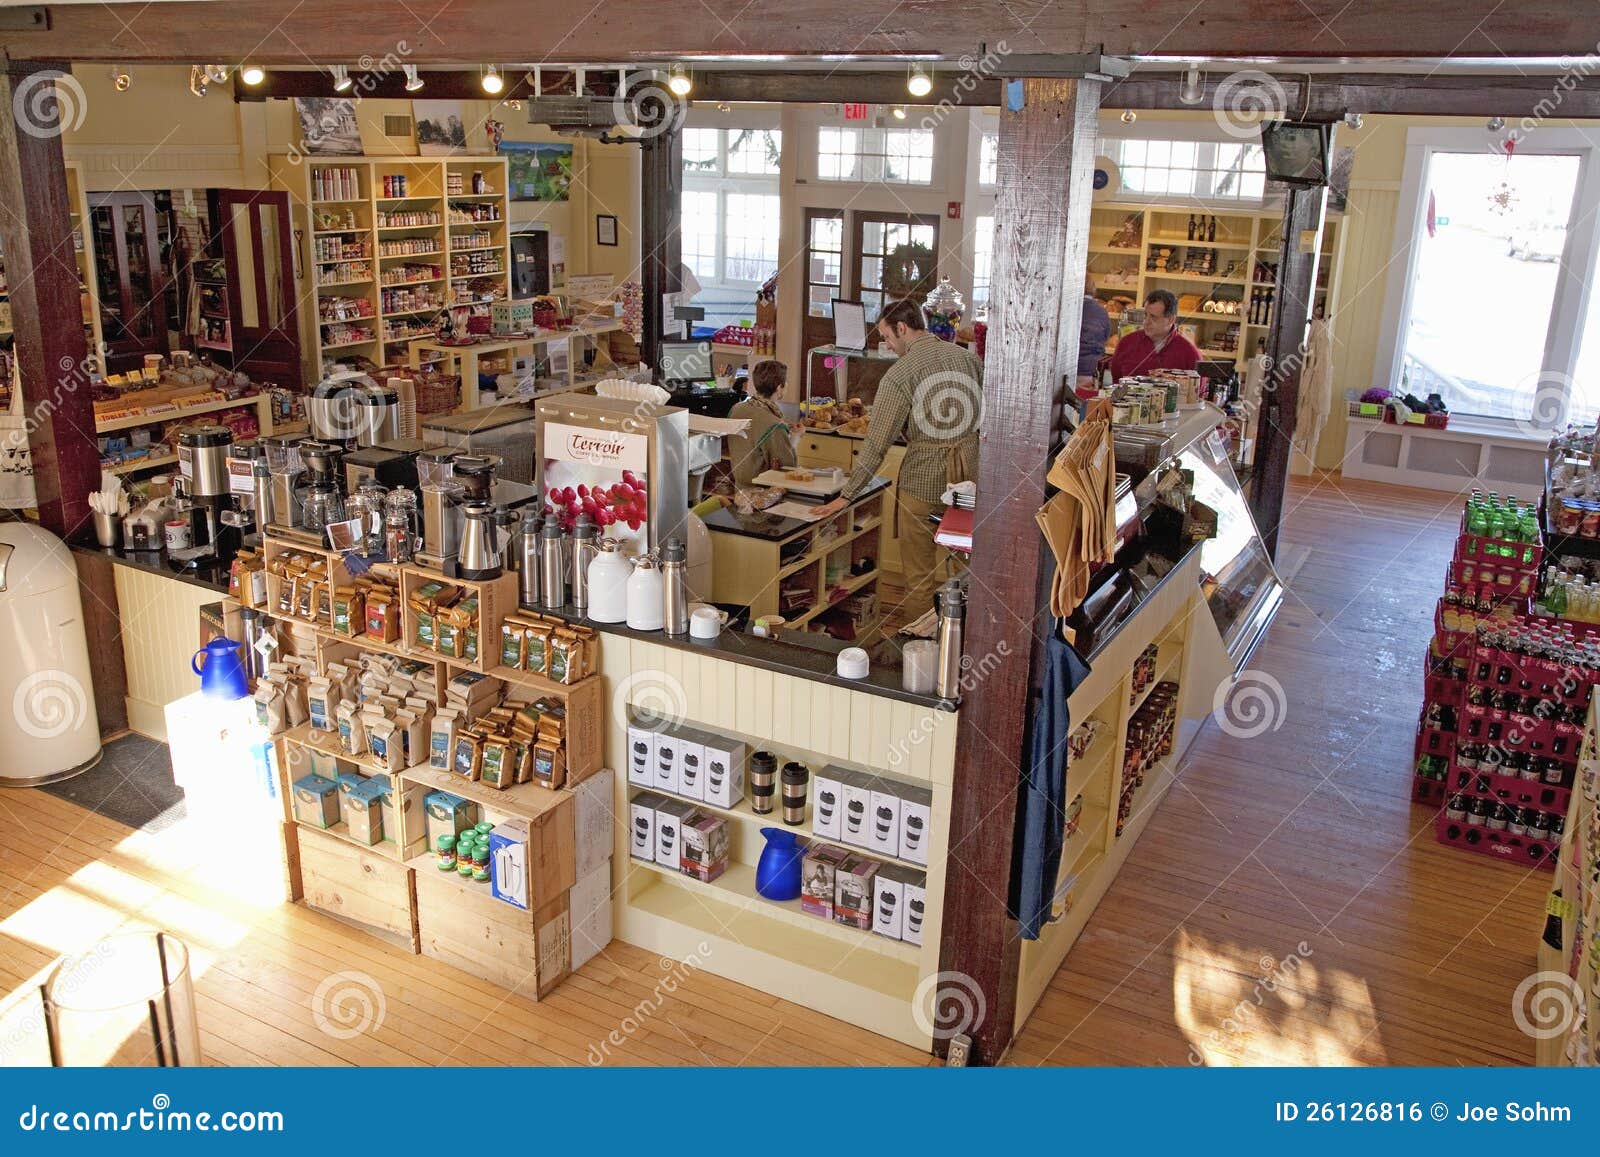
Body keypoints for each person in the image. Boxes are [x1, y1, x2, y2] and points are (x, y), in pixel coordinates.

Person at [809, 299, 982, 617]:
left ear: (902, 328)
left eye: (888, 337)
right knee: (971, 572)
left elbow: (877, 443)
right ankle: (963, 646)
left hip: (924, 480)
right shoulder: (967, 359)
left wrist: (847, 496)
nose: (888, 345)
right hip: (972, 479)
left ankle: (921, 649)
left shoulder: (900, 374)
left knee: (920, 577)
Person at [727, 359, 797, 487]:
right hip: (763, 493)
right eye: (785, 382)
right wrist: (796, 437)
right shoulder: (774, 424)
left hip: (740, 488)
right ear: (779, 387)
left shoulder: (736, 409)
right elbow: (786, 469)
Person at [1108, 288, 1200, 380]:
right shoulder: (1126, 343)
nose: (1146, 322)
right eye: (1145, 315)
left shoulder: (1190, 353)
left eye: (1153, 317)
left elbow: (1198, 391)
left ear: (1171, 319)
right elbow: (1116, 382)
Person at [1078, 273, 1112, 390]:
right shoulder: (1102, 311)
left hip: (1070, 369)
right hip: (1092, 371)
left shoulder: (1069, 306)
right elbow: (1106, 337)